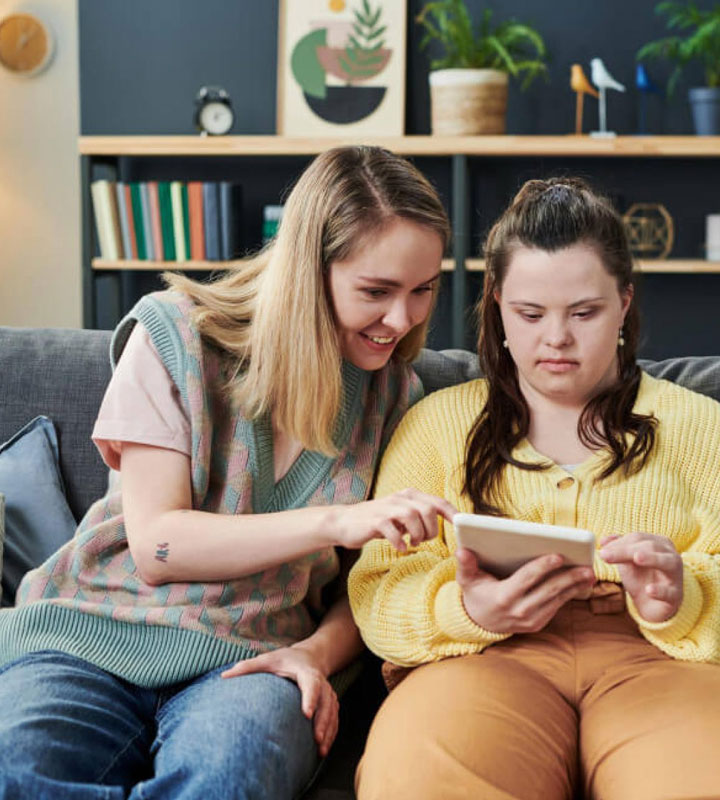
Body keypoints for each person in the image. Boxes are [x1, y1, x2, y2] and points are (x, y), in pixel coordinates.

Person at [0, 145, 456, 800]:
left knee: (230, 778)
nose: (402, 320)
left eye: (422, 292)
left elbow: (373, 588)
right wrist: (334, 519)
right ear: (307, 271)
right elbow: (158, 546)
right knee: (15, 769)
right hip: (91, 634)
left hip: (252, 660)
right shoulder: (175, 337)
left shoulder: (394, 398)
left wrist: (315, 657)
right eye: (376, 292)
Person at [349, 177, 720, 800]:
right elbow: (378, 585)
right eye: (530, 314)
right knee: (419, 779)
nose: (557, 339)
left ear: (625, 302)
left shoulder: (701, 428)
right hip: (480, 661)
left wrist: (680, 598)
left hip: (662, 662)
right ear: (496, 303)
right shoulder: (438, 424)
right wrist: (467, 610)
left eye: (584, 312)